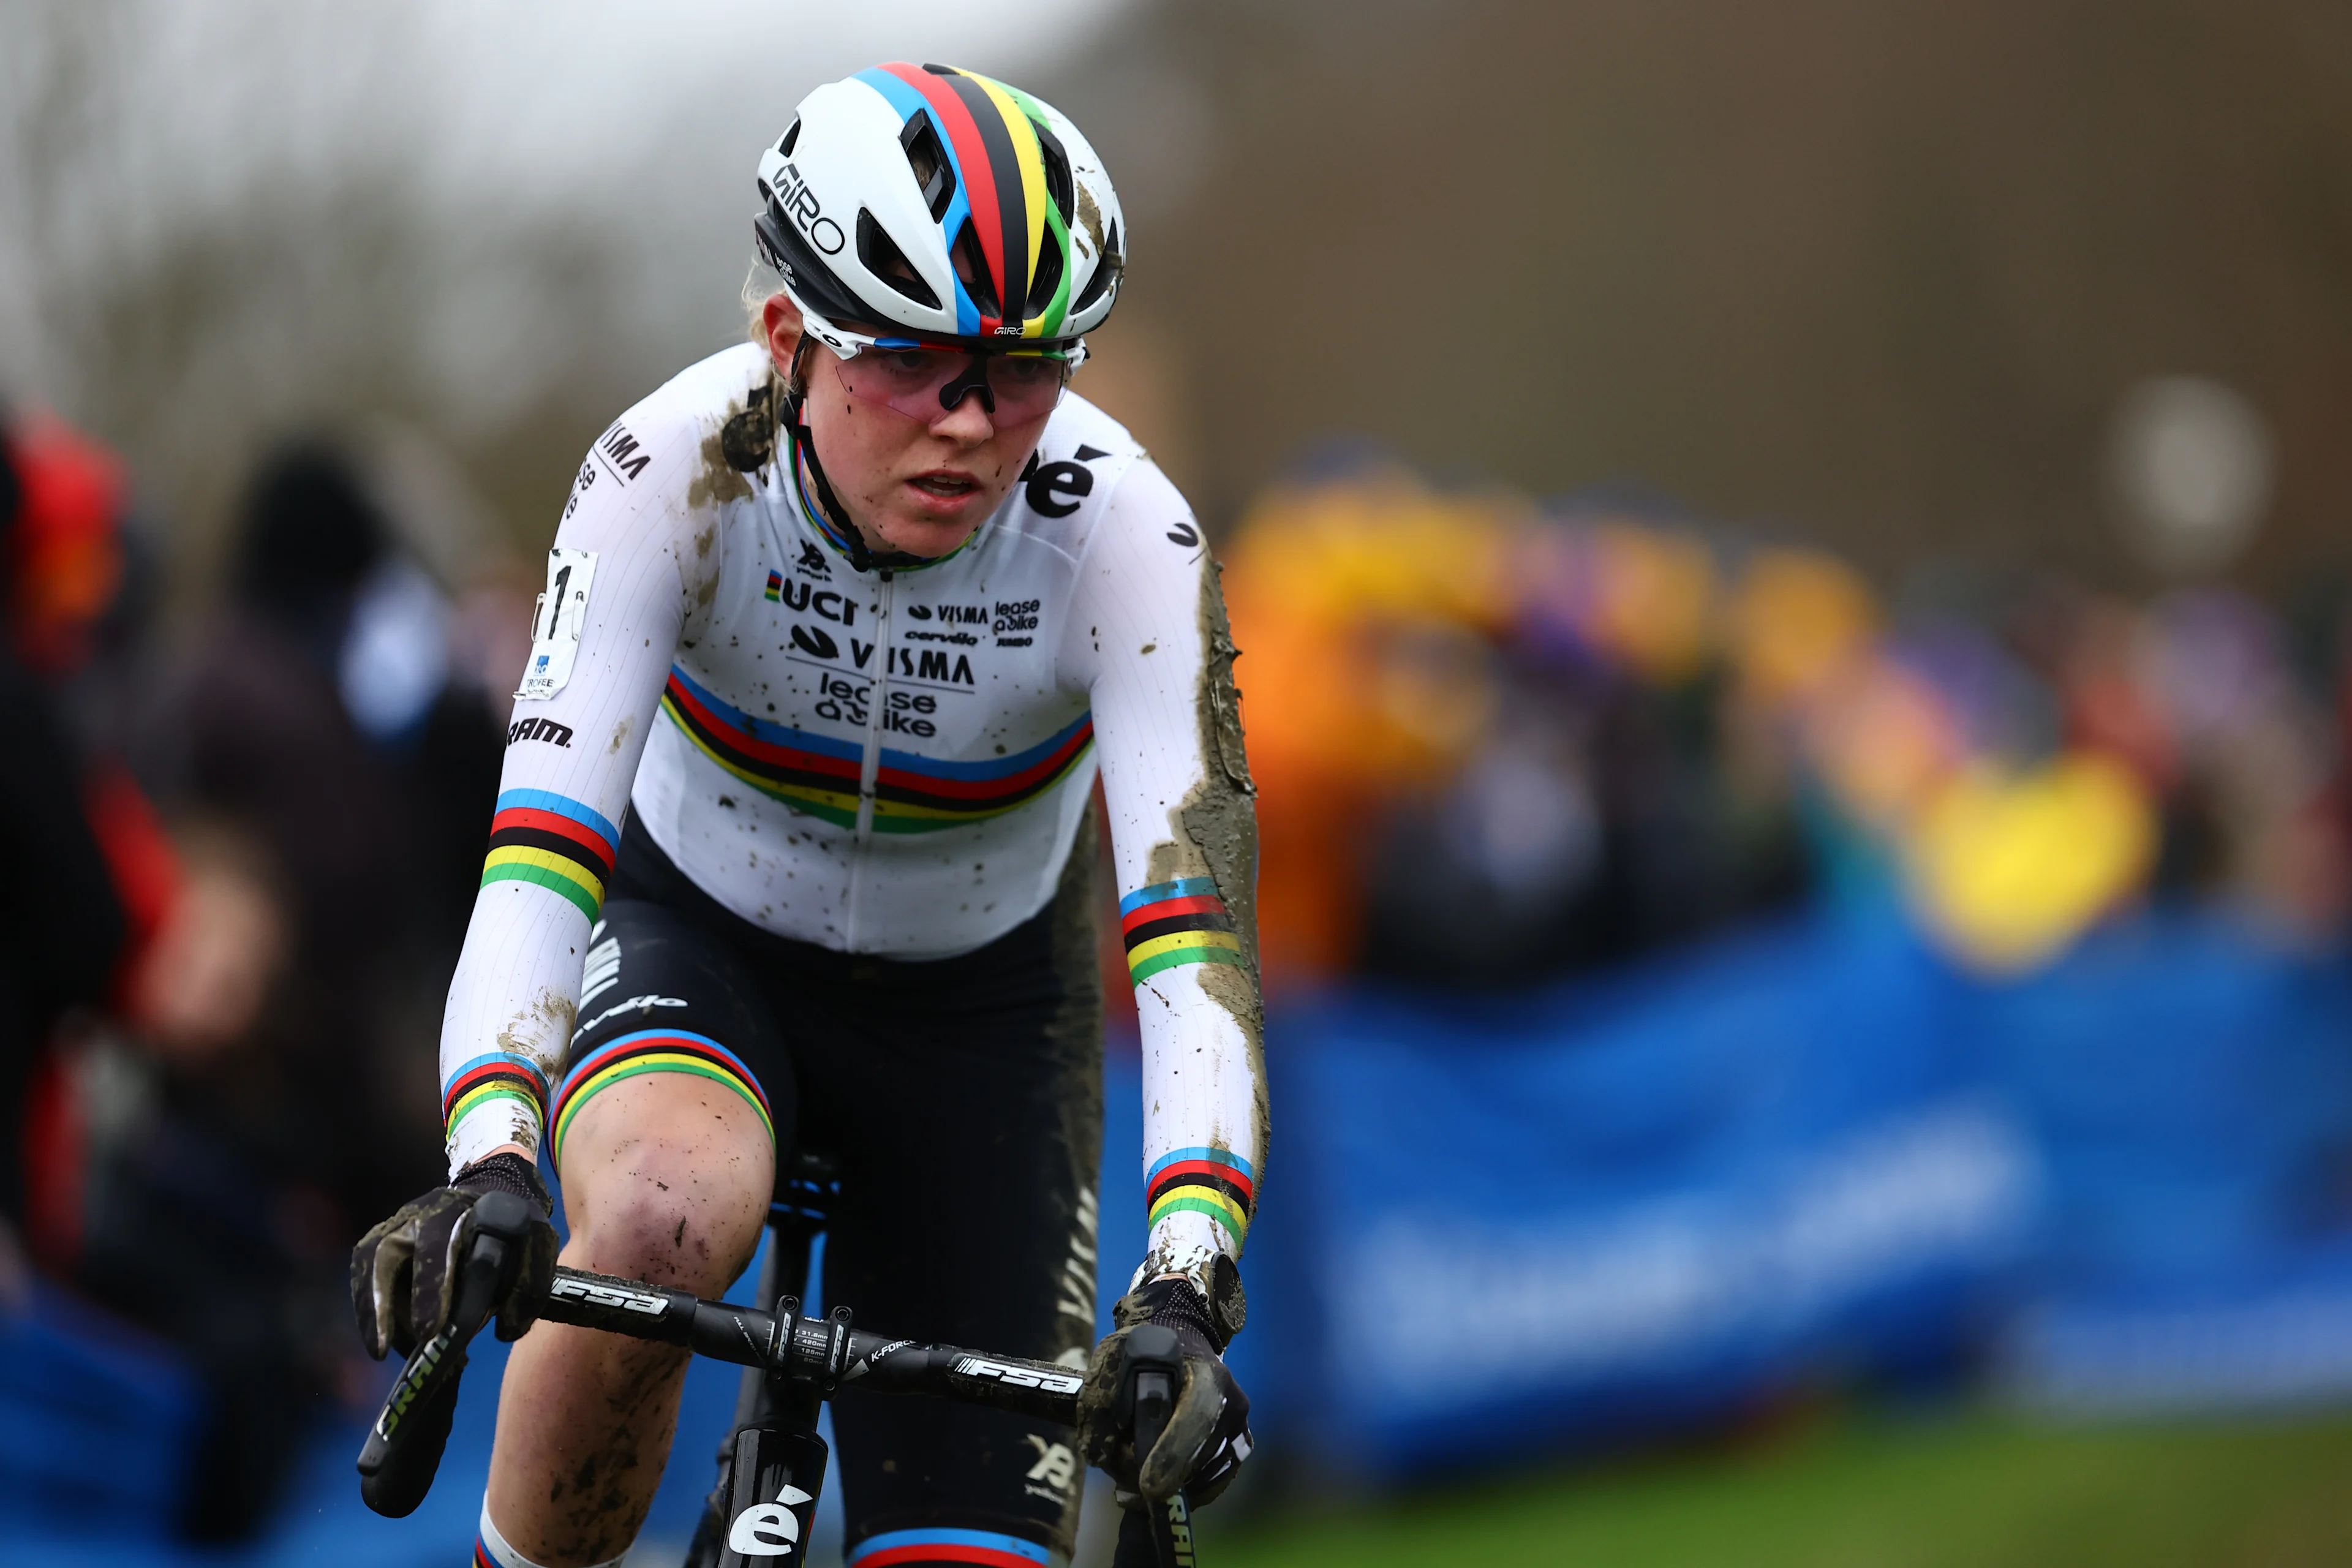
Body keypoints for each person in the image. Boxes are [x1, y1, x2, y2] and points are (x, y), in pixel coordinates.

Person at [353, 62, 1265, 1568]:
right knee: (657, 1214)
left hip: (983, 1008)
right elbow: (535, 858)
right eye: (912, 361)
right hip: (700, 936)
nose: (973, 422)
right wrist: (493, 1162)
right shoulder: (668, 476)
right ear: (789, 339)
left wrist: (1185, 1288)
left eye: (1027, 366)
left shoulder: (1129, 538)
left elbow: (1195, 950)